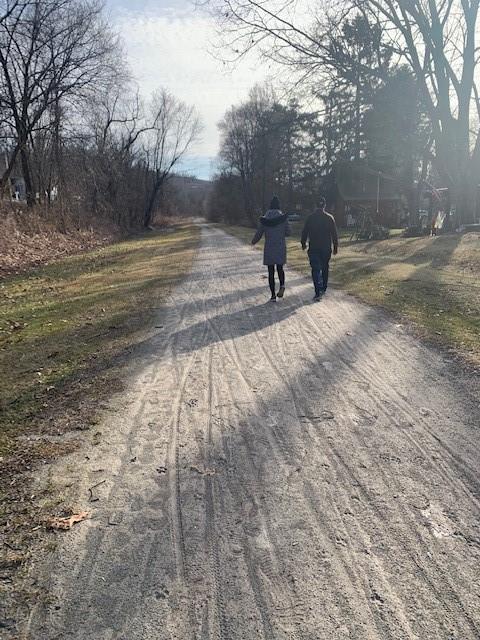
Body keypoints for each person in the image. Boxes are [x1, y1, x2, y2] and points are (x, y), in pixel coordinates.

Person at [252, 196, 291, 301]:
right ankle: (282, 285)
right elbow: (288, 232)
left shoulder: (264, 219)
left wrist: (253, 241)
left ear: (270, 206)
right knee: (280, 268)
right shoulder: (283, 218)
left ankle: (273, 295)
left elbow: (259, 233)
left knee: (270, 272)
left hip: (269, 247)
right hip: (280, 246)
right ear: (279, 206)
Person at [301, 197, 339, 301]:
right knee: (325, 267)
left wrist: (303, 243)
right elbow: (334, 234)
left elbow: (304, 232)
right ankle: (323, 287)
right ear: (324, 205)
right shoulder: (329, 218)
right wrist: (335, 246)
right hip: (326, 248)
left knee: (315, 269)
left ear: (315, 205)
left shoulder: (310, 218)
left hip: (314, 247)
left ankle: (317, 291)